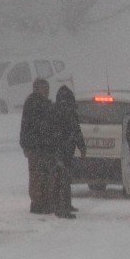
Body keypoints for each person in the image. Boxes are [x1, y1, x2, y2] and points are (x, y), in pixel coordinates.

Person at [19, 78, 57, 214]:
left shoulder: (43, 104)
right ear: (37, 89)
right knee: (38, 176)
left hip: (43, 147)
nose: (47, 91)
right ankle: (39, 203)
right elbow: (30, 126)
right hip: (37, 147)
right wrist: (27, 145)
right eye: (44, 88)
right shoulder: (35, 104)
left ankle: (44, 202)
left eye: (47, 89)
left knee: (44, 175)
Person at [51, 85, 86, 219]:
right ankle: (63, 207)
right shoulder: (70, 112)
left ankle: (60, 205)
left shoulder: (54, 111)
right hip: (65, 150)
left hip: (57, 149)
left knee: (59, 179)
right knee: (64, 180)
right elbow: (76, 130)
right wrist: (81, 147)